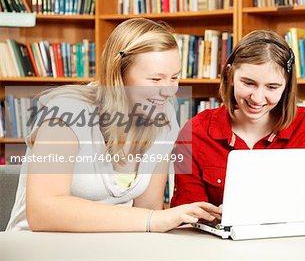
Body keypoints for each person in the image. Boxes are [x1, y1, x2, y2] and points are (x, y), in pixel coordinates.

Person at [6, 18, 220, 232]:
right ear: (119, 75)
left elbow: (148, 209)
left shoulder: (164, 115)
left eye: (174, 77)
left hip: (111, 247)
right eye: (155, 80)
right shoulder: (65, 113)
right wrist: (152, 220)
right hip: (39, 248)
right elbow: (43, 212)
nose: (169, 91)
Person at [171, 30, 305, 207]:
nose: (257, 98)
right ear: (230, 75)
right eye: (248, 83)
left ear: (286, 86)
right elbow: (187, 214)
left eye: (272, 87)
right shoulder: (196, 131)